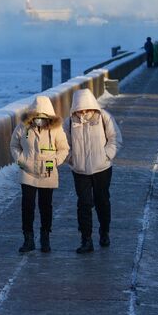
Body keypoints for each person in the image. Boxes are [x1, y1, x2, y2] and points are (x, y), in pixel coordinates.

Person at [63, 89, 122, 254]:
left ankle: (104, 232)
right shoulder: (69, 122)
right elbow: (63, 144)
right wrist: (71, 159)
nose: (83, 112)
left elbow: (116, 138)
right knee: (84, 204)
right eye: (80, 109)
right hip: (80, 171)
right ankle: (86, 239)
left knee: (102, 201)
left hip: (102, 169)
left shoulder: (104, 117)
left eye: (86, 108)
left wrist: (106, 155)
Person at [10, 96, 69, 253]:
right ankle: (28, 239)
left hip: (47, 171)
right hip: (27, 171)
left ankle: (45, 237)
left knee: (46, 206)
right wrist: (22, 161)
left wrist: (54, 162)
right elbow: (14, 145)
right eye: (37, 116)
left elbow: (64, 148)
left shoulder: (56, 129)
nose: (39, 120)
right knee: (27, 206)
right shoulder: (23, 128)